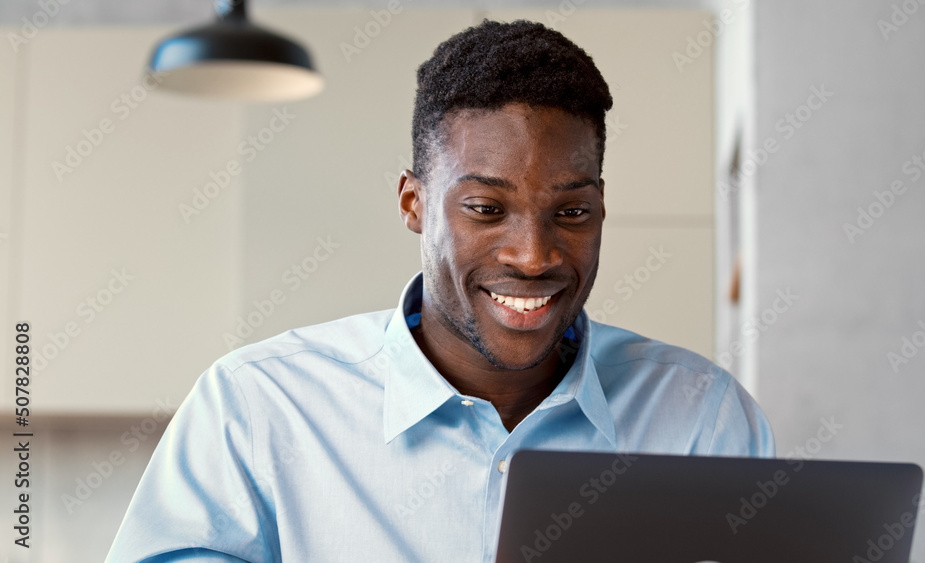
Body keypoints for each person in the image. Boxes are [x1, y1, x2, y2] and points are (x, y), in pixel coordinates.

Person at [107, 19, 773, 563]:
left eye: (570, 212)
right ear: (414, 204)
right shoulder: (256, 408)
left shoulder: (700, 419)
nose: (533, 255)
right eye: (485, 208)